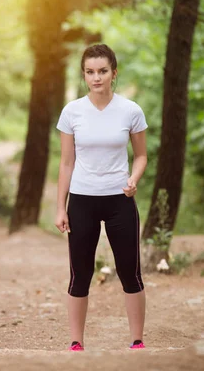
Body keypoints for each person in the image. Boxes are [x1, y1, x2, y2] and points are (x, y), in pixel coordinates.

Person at [55, 44, 148, 351]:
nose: (96, 78)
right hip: (82, 200)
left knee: (129, 271)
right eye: (90, 72)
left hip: (120, 200)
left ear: (114, 73)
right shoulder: (72, 112)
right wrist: (60, 207)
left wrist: (133, 179)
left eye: (103, 71)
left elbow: (141, 156)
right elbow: (66, 162)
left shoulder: (130, 110)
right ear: (84, 75)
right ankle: (76, 341)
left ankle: (137, 340)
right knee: (80, 273)